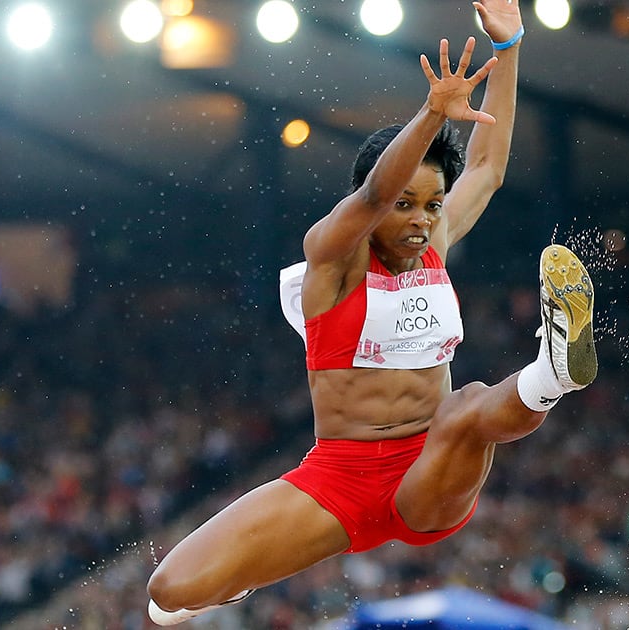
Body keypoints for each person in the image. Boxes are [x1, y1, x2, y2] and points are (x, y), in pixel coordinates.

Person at [146, 0, 597, 624]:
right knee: (168, 593)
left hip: (430, 474)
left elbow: (489, 168)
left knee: (465, 409)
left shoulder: (434, 245)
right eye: (407, 206)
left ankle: (556, 370)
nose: (421, 220)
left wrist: (511, 45)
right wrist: (432, 113)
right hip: (339, 481)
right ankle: (236, 576)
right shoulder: (330, 260)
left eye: (433, 205)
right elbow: (375, 191)